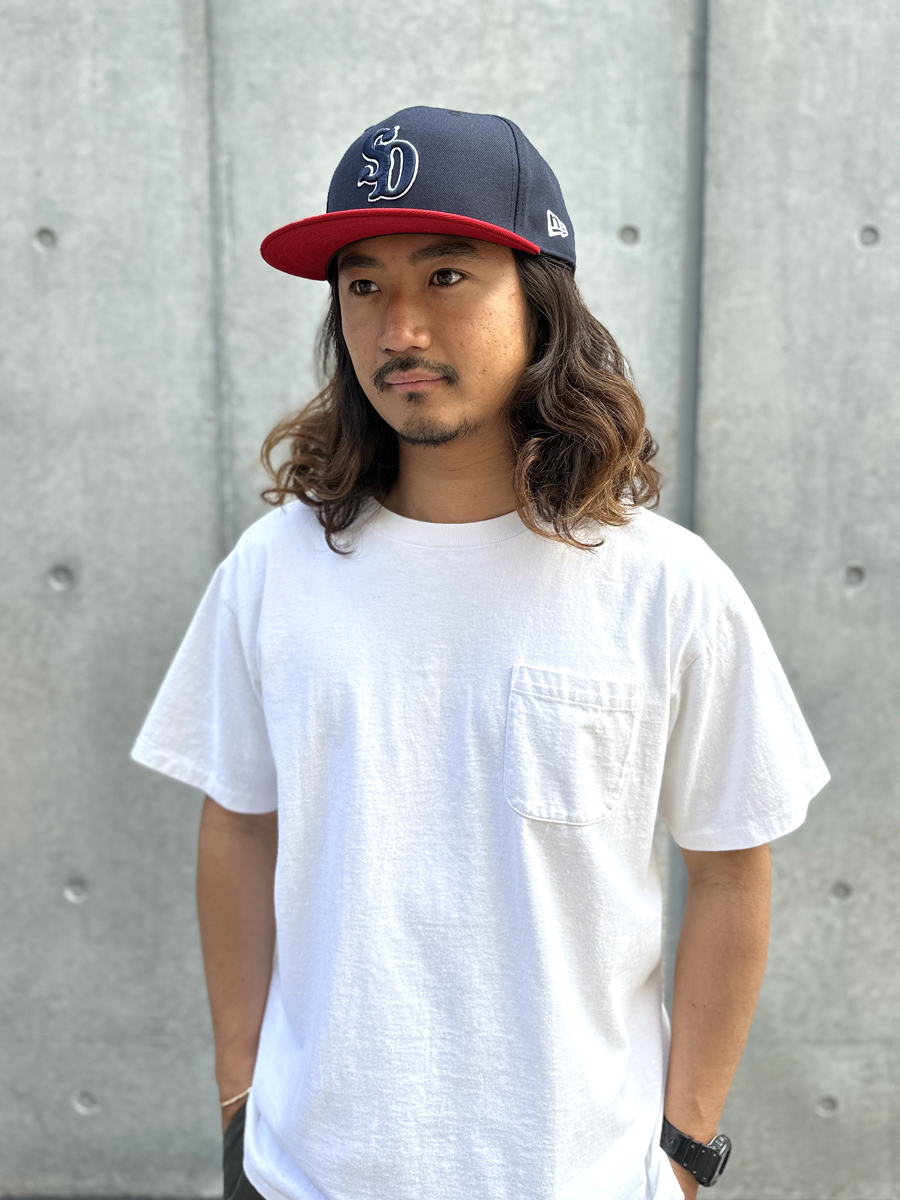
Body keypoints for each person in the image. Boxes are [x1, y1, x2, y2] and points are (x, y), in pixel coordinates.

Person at [131, 106, 830, 1200]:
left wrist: (685, 1152)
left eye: (446, 275)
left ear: (541, 299)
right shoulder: (275, 571)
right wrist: (239, 1099)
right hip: (308, 1172)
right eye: (363, 285)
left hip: (578, 1175)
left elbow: (732, 867)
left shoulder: (666, 586)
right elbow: (239, 824)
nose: (398, 327)